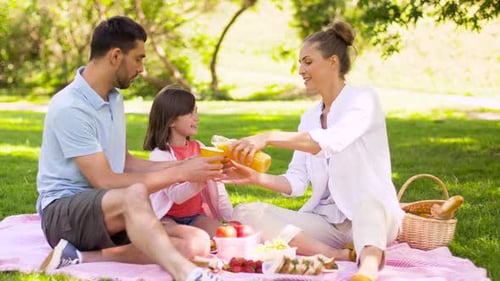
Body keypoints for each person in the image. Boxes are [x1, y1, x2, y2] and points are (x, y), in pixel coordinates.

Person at [36, 16, 223, 281]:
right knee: (133, 193)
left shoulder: (114, 99)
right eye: (139, 58)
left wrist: (189, 164)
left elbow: (124, 161)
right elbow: (105, 179)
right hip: (64, 214)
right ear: (115, 56)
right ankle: (186, 274)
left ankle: (79, 256)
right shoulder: (70, 107)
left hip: (109, 209)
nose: (142, 69)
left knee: (195, 242)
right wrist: (182, 173)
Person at [224, 18, 404, 281]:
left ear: (333, 62)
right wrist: (255, 178)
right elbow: (296, 181)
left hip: (371, 218)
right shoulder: (309, 118)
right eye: (300, 63)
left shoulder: (364, 100)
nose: (300, 70)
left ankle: (366, 271)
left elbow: (330, 141)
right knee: (244, 212)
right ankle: (335, 254)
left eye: (307, 62)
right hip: (326, 224)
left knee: (368, 205)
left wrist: (268, 137)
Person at [144, 86, 233, 239]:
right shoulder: (160, 156)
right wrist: (201, 178)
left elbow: (218, 188)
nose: (196, 118)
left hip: (195, 217)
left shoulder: (200, 148)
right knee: (192, 240)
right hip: (167, 218)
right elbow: (176, 195)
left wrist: (231, 218)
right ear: (171, 120)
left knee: (227, 236)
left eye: (196, 111)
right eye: (190, 113)